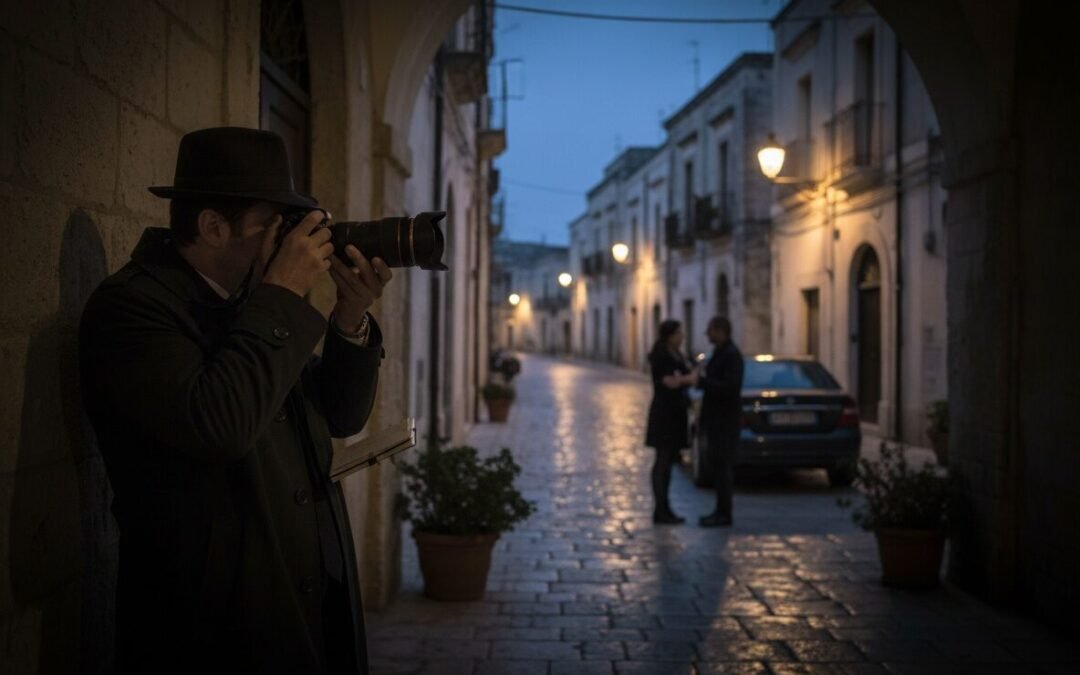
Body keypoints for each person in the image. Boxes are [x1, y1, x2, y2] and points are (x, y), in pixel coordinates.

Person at [79, 127, 390, 674]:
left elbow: (339, 414)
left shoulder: (250, 304)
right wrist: (281, 293)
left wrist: (349, 320)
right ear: (212, 226)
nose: (287, 247)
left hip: (303, 609)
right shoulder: (133, 308)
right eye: (275, 229)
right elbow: (219, 425)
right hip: (212, 631)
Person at [644, 320, 697, 524]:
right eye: (679, 333)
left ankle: (665, 507)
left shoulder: (676, 353)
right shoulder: (661, 355)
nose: (682, 336)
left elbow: (680, 376)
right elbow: (669, 381)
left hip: (675, 411)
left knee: (668, 461)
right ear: (670, 335)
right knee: (662, 460)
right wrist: (687, 379)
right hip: (664, 412)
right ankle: (660, 509)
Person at [696, 316, 745, 527]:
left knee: (723, 469)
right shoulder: (721, 353)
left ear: (720, 331)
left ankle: (724, 514)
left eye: (710, 330)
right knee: (718, 468)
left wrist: (702, 382)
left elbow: (729, 388)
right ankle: (719, 510)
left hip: (724, 421)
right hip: (717, 420)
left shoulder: (731, 355)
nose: (707, 335)